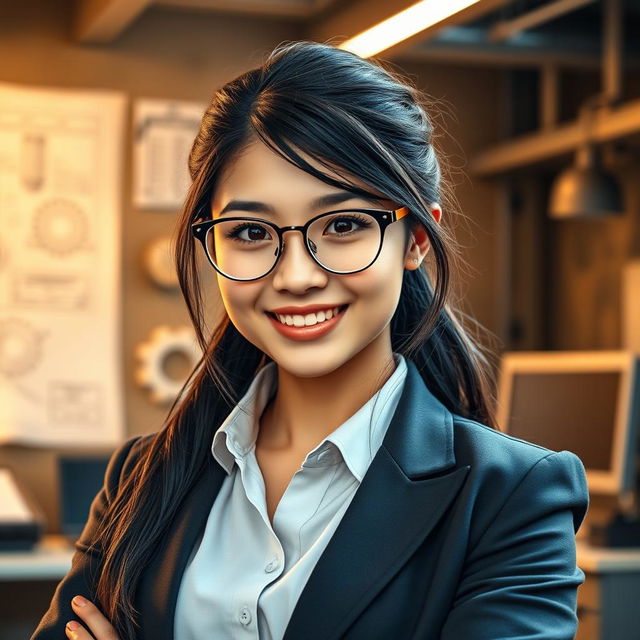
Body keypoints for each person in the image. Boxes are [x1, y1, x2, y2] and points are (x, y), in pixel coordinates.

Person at [32, 40, 589, 640]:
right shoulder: (141, 478)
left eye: (344, 224)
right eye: (249, 231)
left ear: (418, 240)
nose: (295, 275)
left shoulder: (512, 498)